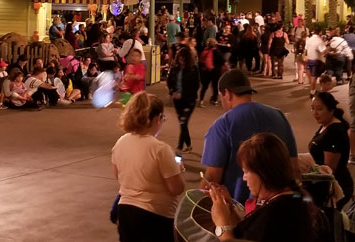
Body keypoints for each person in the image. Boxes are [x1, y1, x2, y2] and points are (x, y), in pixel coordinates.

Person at [201, 69, 299, 204]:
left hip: (237, 209)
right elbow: (293, 168)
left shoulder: (223, 125)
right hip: (277, 205)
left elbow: (212, 178)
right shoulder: (279, 116)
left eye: (220, 96)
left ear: (227, 94)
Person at [209, 133, 315, 242]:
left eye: (246, 171)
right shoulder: (295, 198)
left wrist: (222, 225)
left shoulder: (275, 213)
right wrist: (230, 209)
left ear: (262, 172)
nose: (244, 178)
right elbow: (247, 234)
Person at [111, 92, 184, 242]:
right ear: (157, 118)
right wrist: (178, 170)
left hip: (126, 212)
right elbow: (176, 188)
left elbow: (118, 175)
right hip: (155, 217)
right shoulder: (160, 149)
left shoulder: (121, 142)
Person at [309, 92, 353, 209]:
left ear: (331, 110)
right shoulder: (326, 124)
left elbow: (329, 169)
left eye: (319, 109)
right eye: (312, 108)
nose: (315, 113)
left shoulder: (335, 131)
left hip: (335, 187)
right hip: (323, 184)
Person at [167, 47, 200, 153]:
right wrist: (172, 92)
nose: (181, 60)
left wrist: (182, 94)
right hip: (177, 101)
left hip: (189, 100)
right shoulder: (175, 68)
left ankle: (186, 145)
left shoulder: (193, 69)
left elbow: (196, 85)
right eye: (179, 58)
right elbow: (169, 82)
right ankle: (182, 146)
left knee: (183, 122)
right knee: (182, 122)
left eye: (183, 59)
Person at [199, 38, 224, 107]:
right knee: (215, 86)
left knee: (204, 86)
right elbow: (222, 60)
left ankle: (201, 100)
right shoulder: (216, 51)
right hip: (215, 71)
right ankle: (214, 100)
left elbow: (200, 61)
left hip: (206, 71)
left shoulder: (205, 50)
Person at [305, 29, 327, 97]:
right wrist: (329, 49)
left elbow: (306, 49)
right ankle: (312, 91)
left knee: (312, 76)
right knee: (314, 77)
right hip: (316, 61)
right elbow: (323, 51)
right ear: (320, 32)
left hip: (309, 60)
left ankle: (313, 90)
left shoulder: (309, 39)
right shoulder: (319, 41)